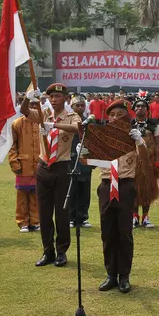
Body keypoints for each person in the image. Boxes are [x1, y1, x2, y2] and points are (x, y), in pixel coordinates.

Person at [88, 100, 152, 293]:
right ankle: (110, 275)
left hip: (125, 185)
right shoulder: (102, 137)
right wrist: (82, 153)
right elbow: (89, 162)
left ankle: (124, 275)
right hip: (106, 186)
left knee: (124, 233)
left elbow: (145, 157)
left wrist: (139, 141)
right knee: (107, 233)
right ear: (108, 117)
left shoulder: (133, 136)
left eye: (120, 115)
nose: (116, 118)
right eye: (113, 115)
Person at [21, 83, 81, 267]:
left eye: (58, 96)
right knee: (44, 212)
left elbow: (77, 128)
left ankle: (62, 251)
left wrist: (53, 126)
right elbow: (25, 112)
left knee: (62, 212)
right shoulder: (42, 112)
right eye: (51, 97)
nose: (54, 100)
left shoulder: (71, 116)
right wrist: (28, 98)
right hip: (44, 166)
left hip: (62, 167)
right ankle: (48, 251)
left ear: (66, 99)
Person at [8, 99, 41, 233]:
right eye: (30, 104)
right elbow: (12, 145)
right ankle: (22, 222)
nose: (33, 107)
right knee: (22, 195)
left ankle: (35, 221)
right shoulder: (17, 124)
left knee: (36, 195)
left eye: (35, 104)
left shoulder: (43, 123)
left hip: (39, 165)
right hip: (23, 164)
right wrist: (14, 163)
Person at [131, 92, 159, 228]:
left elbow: (157, 144)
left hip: (149, 162)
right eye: (137, 106)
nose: (140, 108)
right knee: (134, 189)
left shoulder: (154, 125)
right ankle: (134, 216)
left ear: (147, 109)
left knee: (148, 189)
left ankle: (146, 217)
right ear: (134, 109)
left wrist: (157, 161)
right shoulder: (129, 125)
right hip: (134, 163)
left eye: (143, 106)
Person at [69, 96, 94, 229]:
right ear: (71, 107)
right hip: (70, 159)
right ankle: (71, 217)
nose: (79, 107)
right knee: (71, 188)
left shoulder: (89, 122)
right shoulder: (68, 121)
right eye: (77, 105)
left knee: (84, 189)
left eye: (82, 105)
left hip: (85, 159)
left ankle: (82, 217)